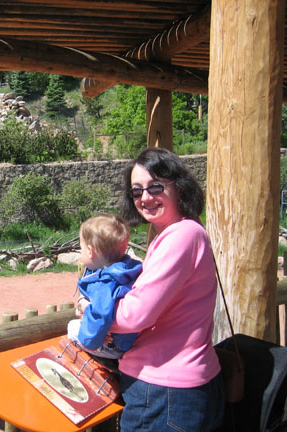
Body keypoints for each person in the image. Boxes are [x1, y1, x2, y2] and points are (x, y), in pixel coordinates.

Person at [106, 147, 224, 431]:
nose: (145, 197)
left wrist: (92, 313)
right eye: (137, 191)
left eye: (156, 187)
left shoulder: (181, 236)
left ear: (178, 187)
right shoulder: (183, 232)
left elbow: (135, 314)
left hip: (165, 389)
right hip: (181, 386)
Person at [67, 213, 142, 359]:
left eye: (81, 248)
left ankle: (98, 349)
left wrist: (91, 341)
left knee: (72, 327)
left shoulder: (104, 284)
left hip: (115, 346)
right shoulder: (129, 269)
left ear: (90, 251)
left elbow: (100, 316)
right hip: (131, 338)